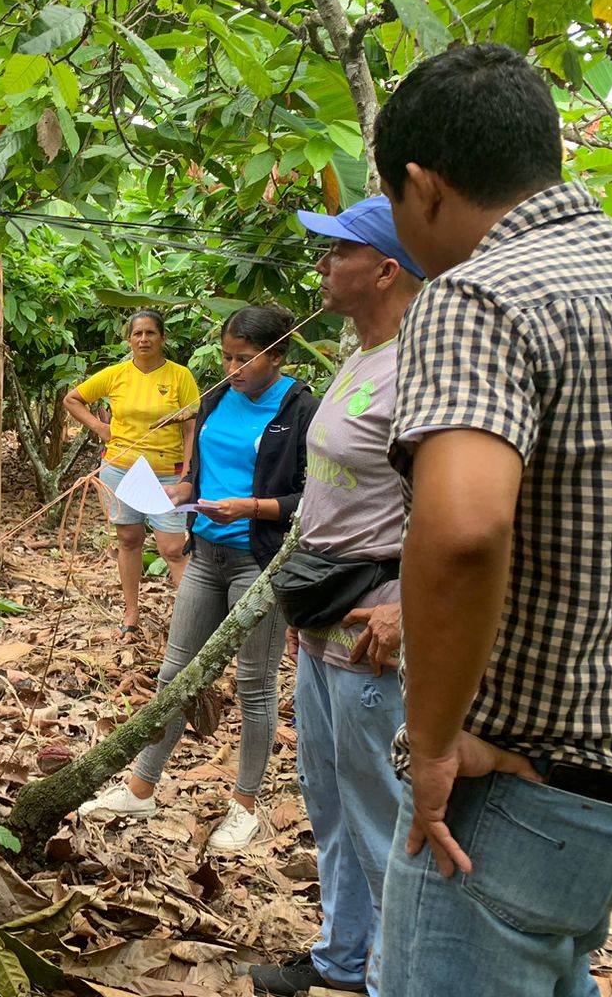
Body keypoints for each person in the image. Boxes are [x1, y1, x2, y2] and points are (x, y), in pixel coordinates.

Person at [373, 44, 612, 996]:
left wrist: (431, 741)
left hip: (516, 782)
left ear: (423, 185)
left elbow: (464, 531)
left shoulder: (478, 297)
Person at [245, 198, 423, 997]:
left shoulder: (421, 366)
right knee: (331, 797)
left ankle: (397, 975)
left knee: (383, 808)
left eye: (337, 252)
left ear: (384, 269)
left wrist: (406, 609)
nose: (321, 265)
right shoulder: (358, 357)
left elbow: (457, 506)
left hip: (375, 619)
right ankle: (344, 956)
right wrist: (302, 608)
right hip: (323, 613)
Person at [81, 306, 318, 852]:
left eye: (244, 359)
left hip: (260, 561)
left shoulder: (301, 409)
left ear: (277, 355)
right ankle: (142, 787)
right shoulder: (214, 398)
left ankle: (245, 805)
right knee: (174, 674)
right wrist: (184, 489)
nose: (232, 369)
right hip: (207, 554)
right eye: (227, 357)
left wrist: (253, 507)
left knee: (255, 684)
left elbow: (313, 497)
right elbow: (200, 469)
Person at [63, 308, 199, 628]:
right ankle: (131, 614)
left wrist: (187, 474)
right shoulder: (115, 374)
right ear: (129, 340)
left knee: (173, 549)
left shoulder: (180, 376)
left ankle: (191, 625)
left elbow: (191, 428)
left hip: (167, 472)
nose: (143, 339)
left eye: (150, 332)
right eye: (137, 333)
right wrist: (100, 428)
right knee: (128, 539)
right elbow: (72, 399)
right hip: (120, 469)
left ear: (163, 338)